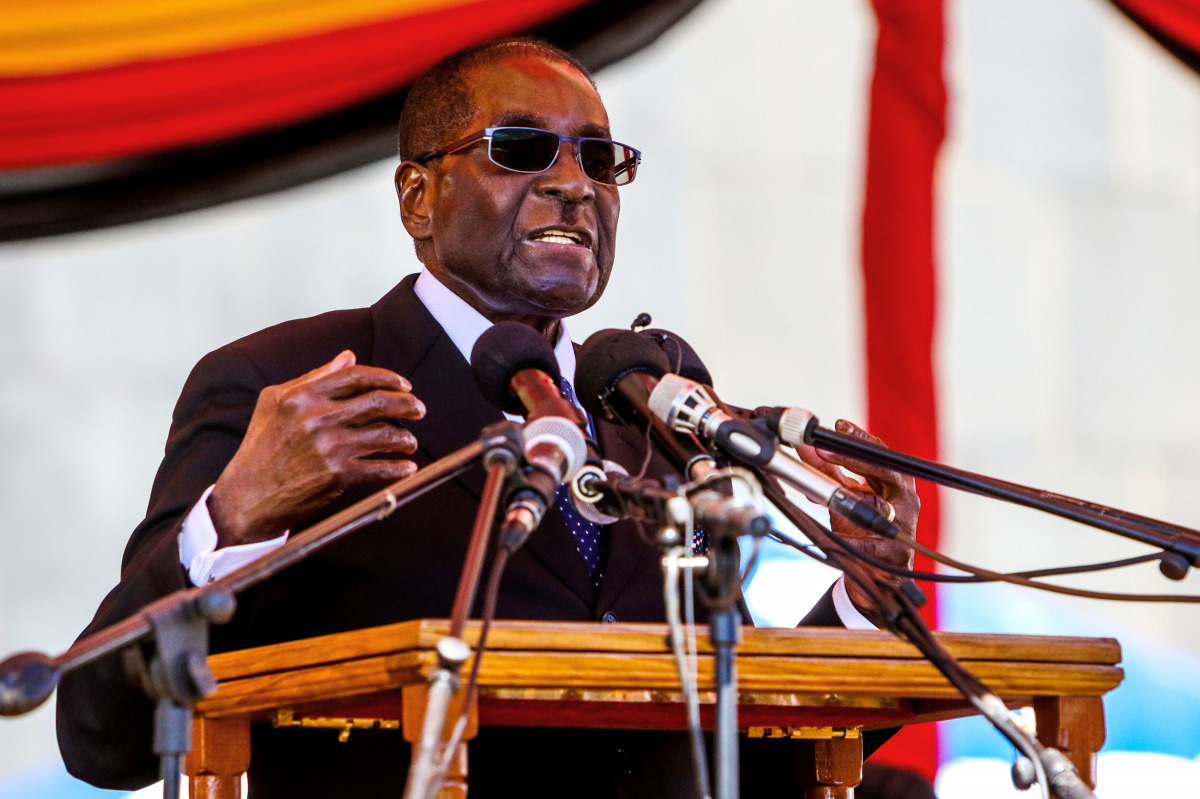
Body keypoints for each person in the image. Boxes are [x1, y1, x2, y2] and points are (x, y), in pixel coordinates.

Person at [56, 38, 919, 798]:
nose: (574, 185)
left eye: (600, 160)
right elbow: (101, 733)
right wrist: (238, 514)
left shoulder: (651, 409)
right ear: (417, 198)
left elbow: (738, 759)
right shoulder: (288, 387)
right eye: (521, 148)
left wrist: (860, 599)